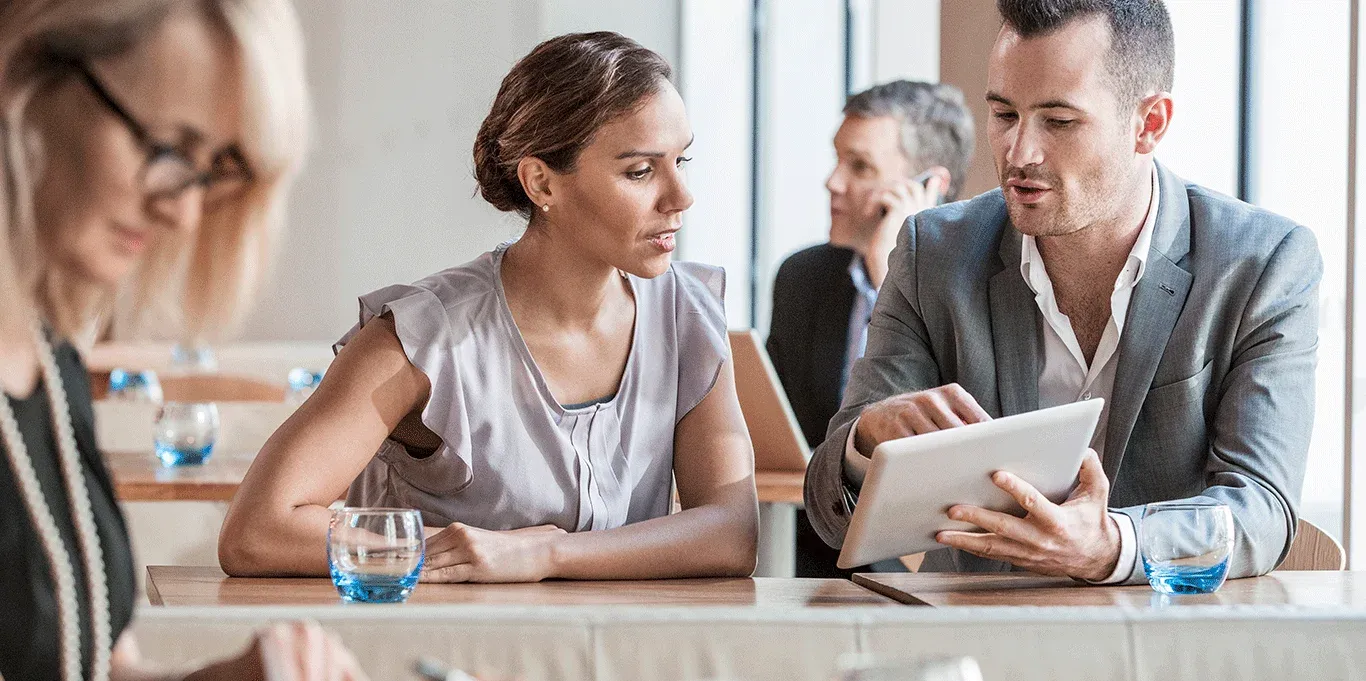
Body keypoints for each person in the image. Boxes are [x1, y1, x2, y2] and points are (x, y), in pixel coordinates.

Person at [804, 0, 1320, 584]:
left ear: (1149, 123)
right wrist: (865, 442)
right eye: (1004, 114)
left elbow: (1263, 510)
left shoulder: (1261, 263)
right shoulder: (934, 252)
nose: (1020, 154)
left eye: (1060, 121)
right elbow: (830, 516)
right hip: (981, 645)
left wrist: (1113, 546)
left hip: (1166, 645)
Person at [218, 32, 759, 583]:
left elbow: (731, 532)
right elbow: (258, 531)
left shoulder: (687, 317)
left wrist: (546, 555)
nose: (681, 196)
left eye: (681, 160)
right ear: (541, 182)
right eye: (640, 172)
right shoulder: (420, 338)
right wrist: (443, 554)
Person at [0, 1, 367, 679]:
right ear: (24, 77)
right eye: (166, 147)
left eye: (206, 169)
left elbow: (92, 665)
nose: (184, 210)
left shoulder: (51, 361)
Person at [766, 80, 975, 577]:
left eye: (859, 167)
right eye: (838, 160)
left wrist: (895, 277)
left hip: (926, 557)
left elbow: (955, 438)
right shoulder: (803, 278)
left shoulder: (970, 287)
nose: (833, 182)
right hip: (807, 545)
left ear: (930, 187)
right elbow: (787, 437)